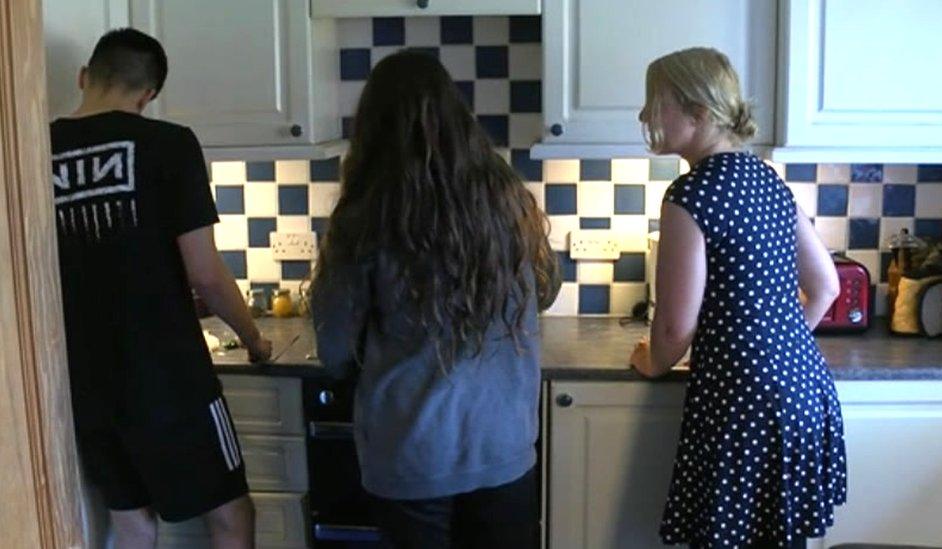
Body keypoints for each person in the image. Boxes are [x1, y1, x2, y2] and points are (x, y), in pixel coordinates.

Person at [310, 50, 561, 549]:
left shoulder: (365, 216)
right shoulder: (508, 200)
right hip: (503, 446)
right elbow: (547, 290)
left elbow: (334, 346)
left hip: (411, 452)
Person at [50, 28, 271, 549]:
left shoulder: (35, 149)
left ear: (84, 77)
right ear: (148, 95)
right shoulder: (168, 145)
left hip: (83, 383)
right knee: (231, 515)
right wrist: (254, 339)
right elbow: (205, 274)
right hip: (169, 379)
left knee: (132, 523)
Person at [628, 47, 847, 548]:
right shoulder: (767, 180)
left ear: (699, 112)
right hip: (803, 391)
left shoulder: (691, 195)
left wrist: (651, 362)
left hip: (743, 405)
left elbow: (672, 330)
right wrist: (775, 345)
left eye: (654, 103)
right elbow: (826, 287)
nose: (643, 116)